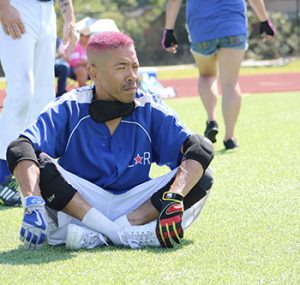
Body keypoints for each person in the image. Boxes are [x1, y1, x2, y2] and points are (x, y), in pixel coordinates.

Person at [6, 31, 214, 250]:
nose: (132, 75)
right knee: (37, 162)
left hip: (135, 205)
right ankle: (124, 234)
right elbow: (21, 147)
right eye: (121, 67)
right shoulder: (70, 105)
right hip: (79, 205)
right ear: (93, 72)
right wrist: (32, 202)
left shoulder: (149, 107)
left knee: (200, 175)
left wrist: (175, 195)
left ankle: (111, 232)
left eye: (134, 66)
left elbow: (198, 148)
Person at [162, 0, 275, 149]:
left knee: (207, 76)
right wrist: (264, 21)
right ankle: (230, 137)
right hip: (233, 25)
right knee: (230, 83)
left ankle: (211, 119)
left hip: (201, 27)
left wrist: (168, 30)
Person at [0, 0, 77, 206]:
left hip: (47, 11)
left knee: (43, 96)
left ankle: (32, 169)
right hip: (17, 5)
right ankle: (2, 173)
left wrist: (69, 17)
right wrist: (3, 6)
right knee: (22, 91)